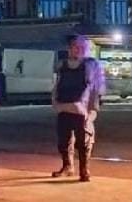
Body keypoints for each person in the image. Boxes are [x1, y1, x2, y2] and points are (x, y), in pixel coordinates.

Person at [51, 34, 104, 182]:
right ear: (70, 48)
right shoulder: (62, 65)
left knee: (84, 142)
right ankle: (67, 166)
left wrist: (93, 110)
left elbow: (97, 88)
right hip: (64, 108)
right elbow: (56, 85)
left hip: (82, 110)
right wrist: (54, 101)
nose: (78, 49)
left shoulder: (92, 65)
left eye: (82, 47)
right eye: (75, 46)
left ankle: (84, 169)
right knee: (63, 141)